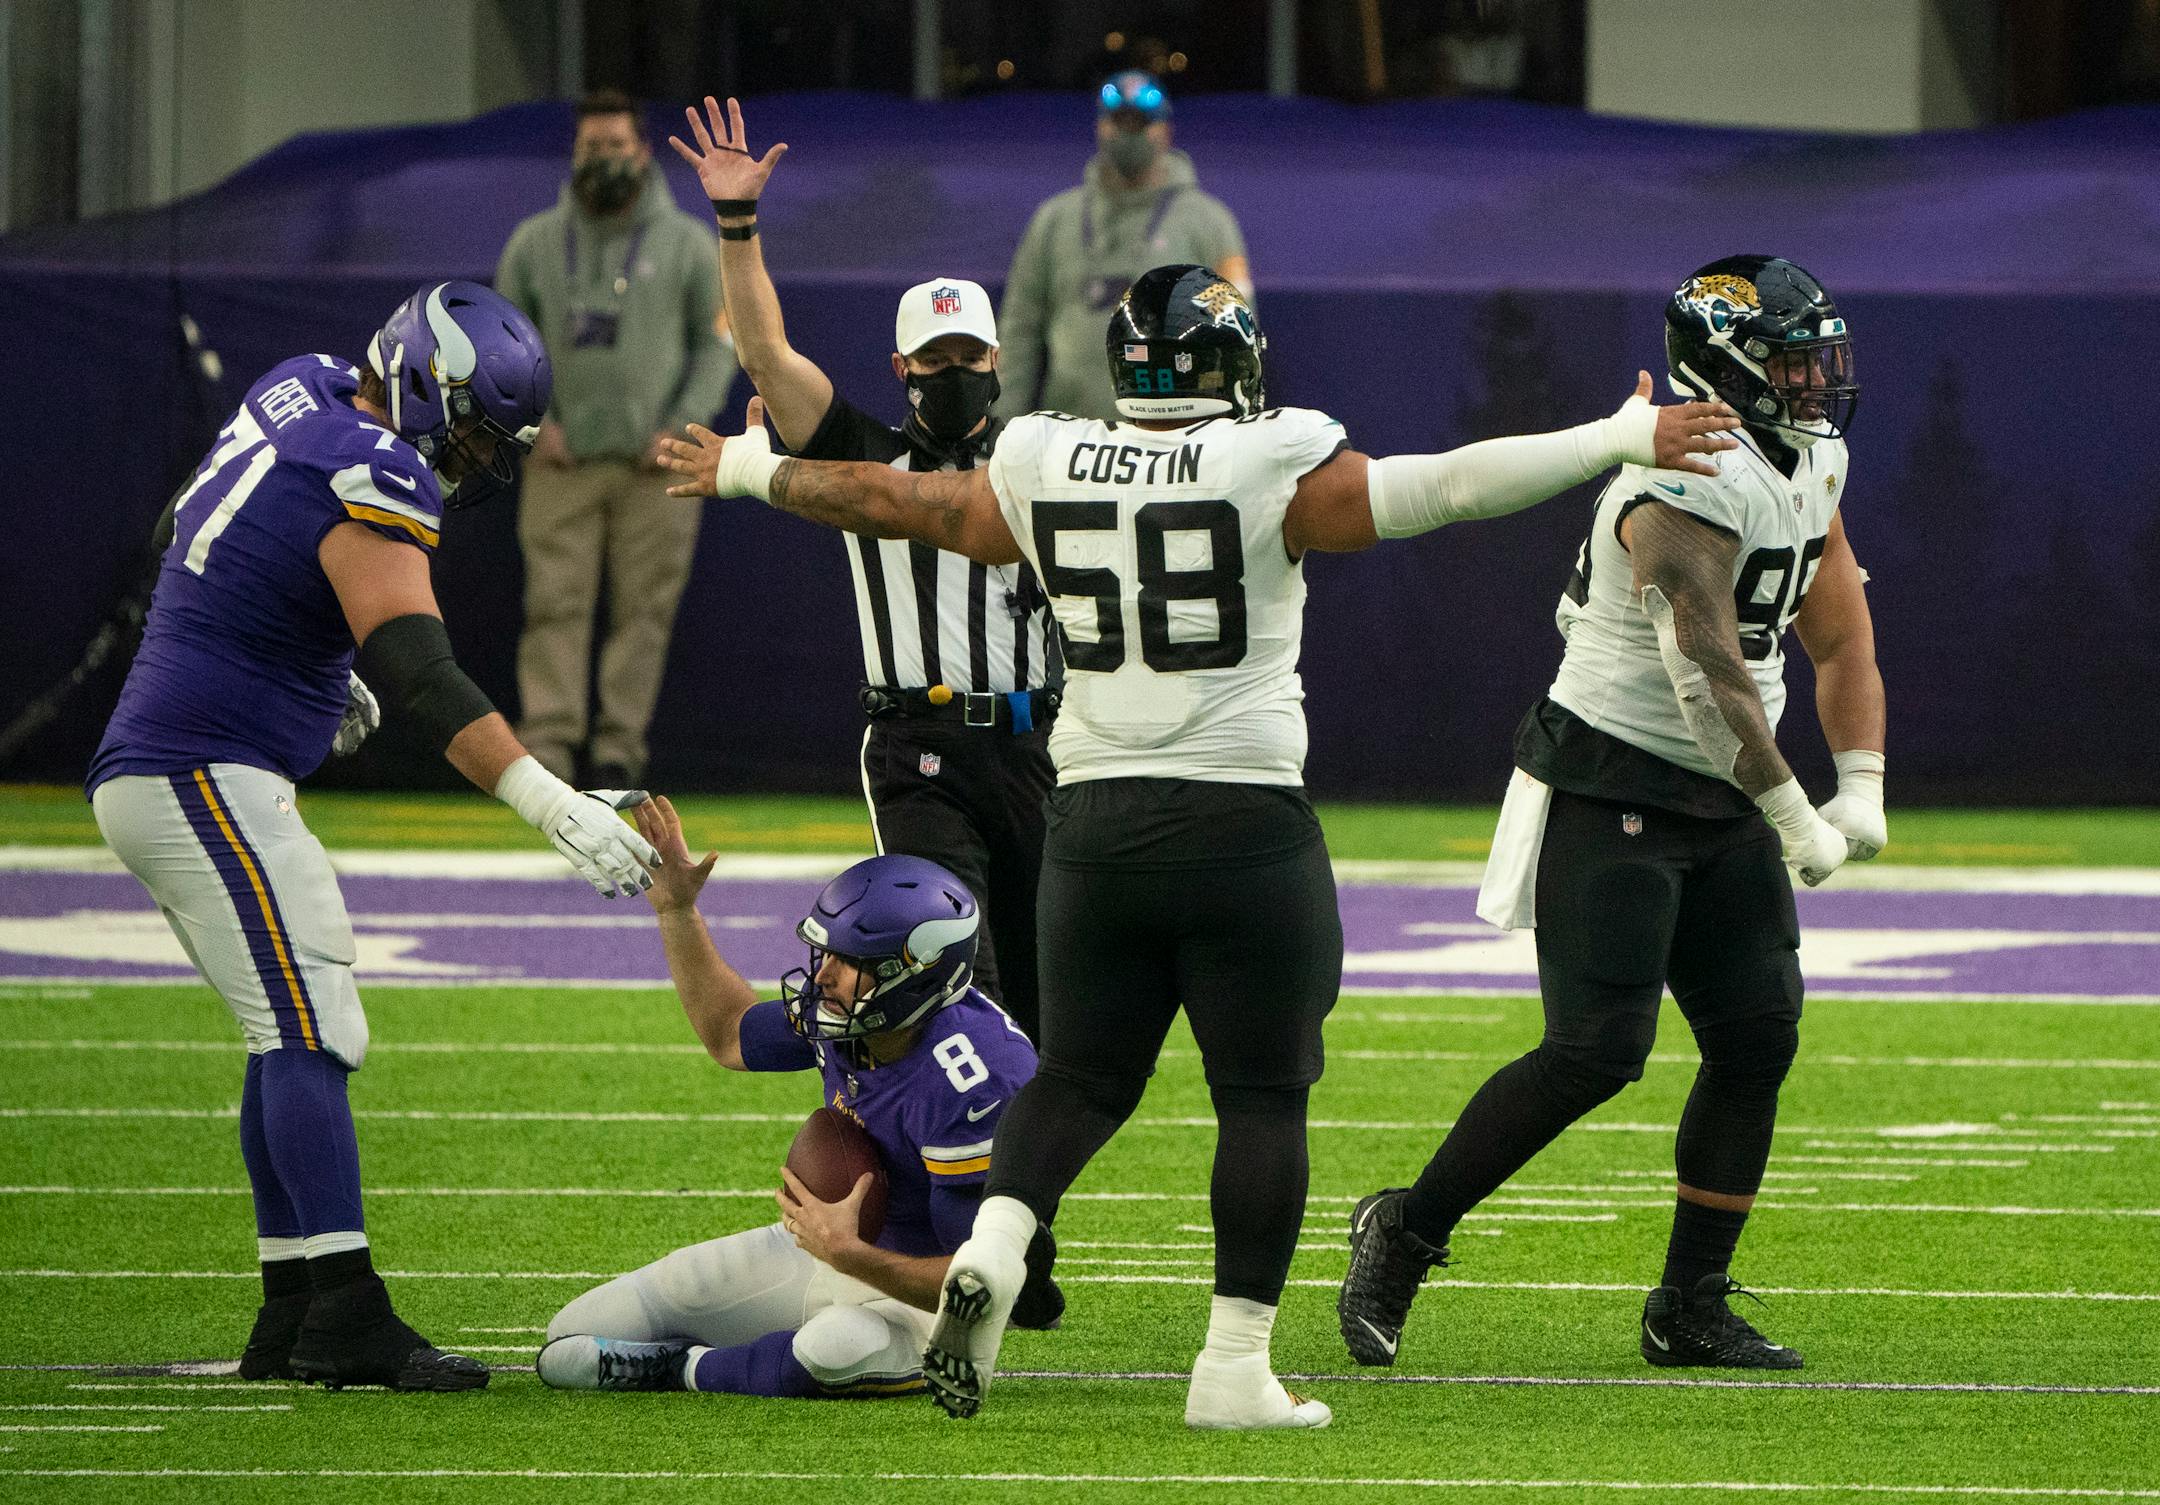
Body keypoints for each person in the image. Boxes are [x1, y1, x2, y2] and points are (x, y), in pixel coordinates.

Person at [661, 262, 1741, 1428]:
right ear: (1235, 365)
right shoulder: (1269, 456)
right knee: (1263, 1100)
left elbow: (897, 503)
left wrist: (746, 466)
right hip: (1240, 825)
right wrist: (1617, 433)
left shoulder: (1045, 456)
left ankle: (1004, 1244)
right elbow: (1448, 488)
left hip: (1093, 824)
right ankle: (1231, 1369)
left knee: (1078, 1076)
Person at [86, 282, 662, 1391]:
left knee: (282, 1022)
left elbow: (186, 532)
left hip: (178, 761)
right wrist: (554, 802)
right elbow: (422, 674)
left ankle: (294, 1308)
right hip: (199, 765)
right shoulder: (381, 466)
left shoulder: (295, 385)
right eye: (479, 431)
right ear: (424, 384)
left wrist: (306, 654)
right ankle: (345, 1310)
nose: (481, 458)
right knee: (313, 1018)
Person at [1336, 255, 1887, 1374]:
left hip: (1729, 784)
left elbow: (1838, 625)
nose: (1818, 378)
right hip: (1615, 775)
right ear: (1727, 367)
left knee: (1757, 1036)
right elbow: (1706, 671)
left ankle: (1688, 1301)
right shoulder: (1673, 483)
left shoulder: (1811, 455)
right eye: (1791, 359)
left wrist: (1865, 774)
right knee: (1597, 1048)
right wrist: (1796, 816)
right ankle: (1407, 1225)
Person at [664, 96, 1057, 1040]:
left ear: (998, 358)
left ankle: (1013, 1178)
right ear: (900, 367)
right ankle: (964, 1172)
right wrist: (737, 222)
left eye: (968, 354)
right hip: (921, 749)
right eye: (934, 358)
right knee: (961, 970)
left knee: (1048, 1001)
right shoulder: (863, 461)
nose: (953, 370)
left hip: (1042, 749)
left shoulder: (1044, 456)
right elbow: (764, 354)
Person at [537, 797, 1062, 1398]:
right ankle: (733, 1345)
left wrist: (851, 1251)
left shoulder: (974, 1079)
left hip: (918, 1294)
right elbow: (730, 1035)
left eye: (852, 962)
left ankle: (681, 1369)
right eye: (827, 952)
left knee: (832, 1349)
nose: (823, 977)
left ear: (914, 973)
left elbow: (984, 1281)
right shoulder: (849, 1012)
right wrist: (677, 912)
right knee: (578, 1329)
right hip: (821, 1245)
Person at [495, 88, 740, 788]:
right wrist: (535, 426)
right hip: (560, 461)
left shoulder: (690, 244)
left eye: (616, 146)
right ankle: (547, 746)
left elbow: (717, 344)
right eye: (590, 147)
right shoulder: (536, 242)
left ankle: (617, 750)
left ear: (643, 150)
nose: (603, 159)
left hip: (657, 466)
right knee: (553, 607)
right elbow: (498, 346)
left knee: (644, 613)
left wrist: (681, 427)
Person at [993, 71, 1250, 423]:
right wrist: (1001, 425)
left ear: (1166, 130)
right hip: (1070, 435)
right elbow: (1018, 331)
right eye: (1119, 121)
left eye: (1142, 122)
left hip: (1173, 439)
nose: (1130, 132)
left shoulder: (1209, 223)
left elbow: (1237, 336)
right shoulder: (1054, 220)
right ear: (1100, 126)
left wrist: (1229, 428)